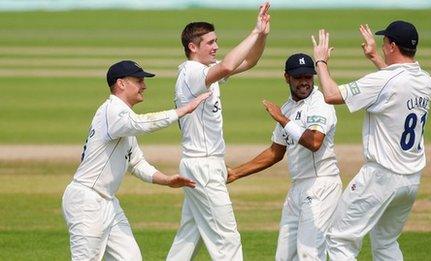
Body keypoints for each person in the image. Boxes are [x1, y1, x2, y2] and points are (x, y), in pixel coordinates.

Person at [61, 60, 210, 260]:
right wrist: (182, 110)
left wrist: (166, 180)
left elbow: (137, 163)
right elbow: (141, 124)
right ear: (121, 84)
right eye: (139, 81)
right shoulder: (112, 111)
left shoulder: (124, 120)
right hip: (87, 200)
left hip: (108, 202)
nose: (144, 86)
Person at [311, 21, 431, 260]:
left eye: (384, 42)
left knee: (339, 240)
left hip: (381, 176)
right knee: (386, 242)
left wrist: (321, 61)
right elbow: (395, 85)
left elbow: (331, 95)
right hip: (410, 180)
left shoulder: (384, 81)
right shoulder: (425, 80)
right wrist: (375, 57)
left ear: (392, 45)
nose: (382, 45)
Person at [167, 3, 271, 260]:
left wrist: (262, 35)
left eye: (216, 41)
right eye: (210, 42)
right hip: (203, 166)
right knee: (227, 240)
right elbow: (226, 66)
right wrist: (254, 31)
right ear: (193, 47)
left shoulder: (203, 73)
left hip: (201, 164)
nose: (216, 47)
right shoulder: (193, 72)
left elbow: (249, 61)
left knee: (189, 237)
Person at [227, 53, 342, 260]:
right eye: (299, 77)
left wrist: (281, 118)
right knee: (284, 256)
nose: (304, 82)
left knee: (309, 253)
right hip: (297, 187)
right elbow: (275, 152)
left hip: (321, 185)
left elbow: (315, 142)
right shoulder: (288, 107)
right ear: (287, 77)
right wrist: (236, 173)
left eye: (308, 76)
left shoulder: (321, 103)